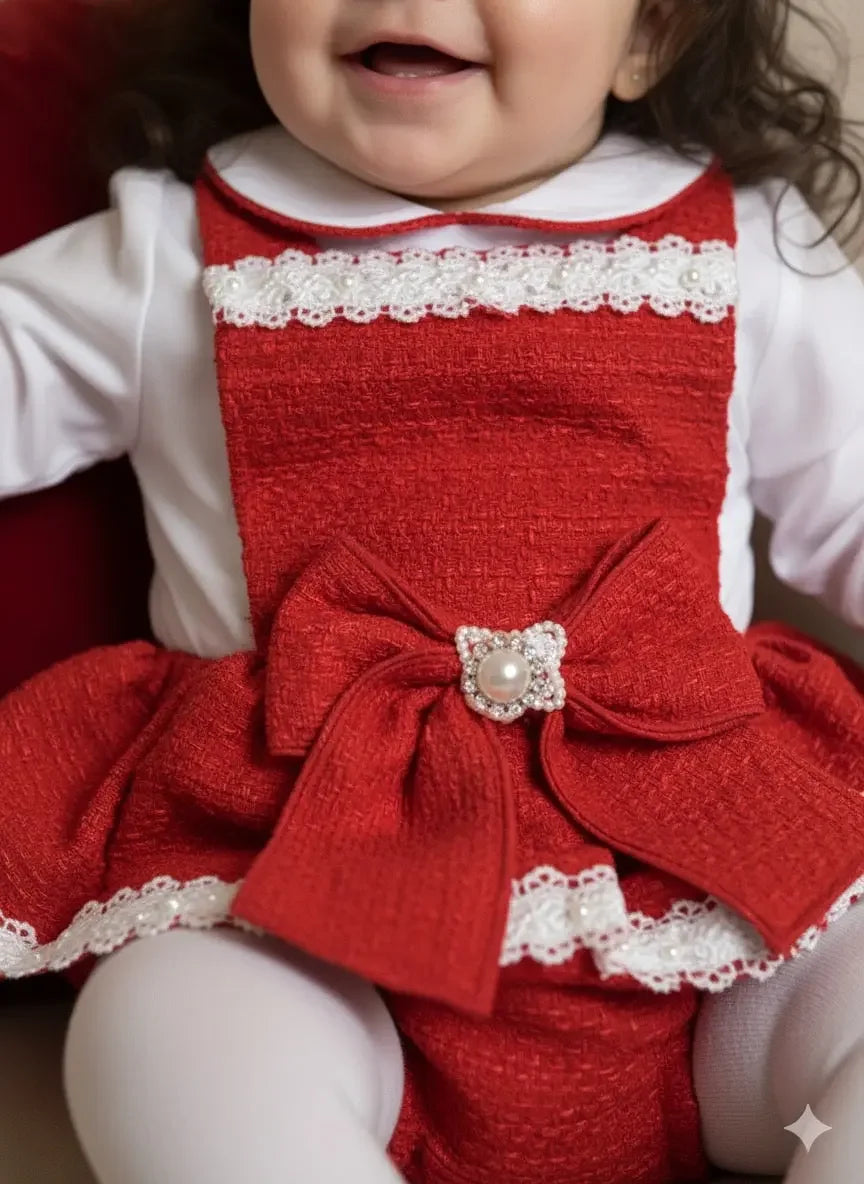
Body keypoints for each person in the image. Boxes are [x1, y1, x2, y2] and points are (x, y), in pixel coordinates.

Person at [2, 0, 864, 1180]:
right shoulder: (172, 248)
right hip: (301, 912)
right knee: (159, 1032)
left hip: (710, 906)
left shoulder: (743, 242)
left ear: (649, 36)